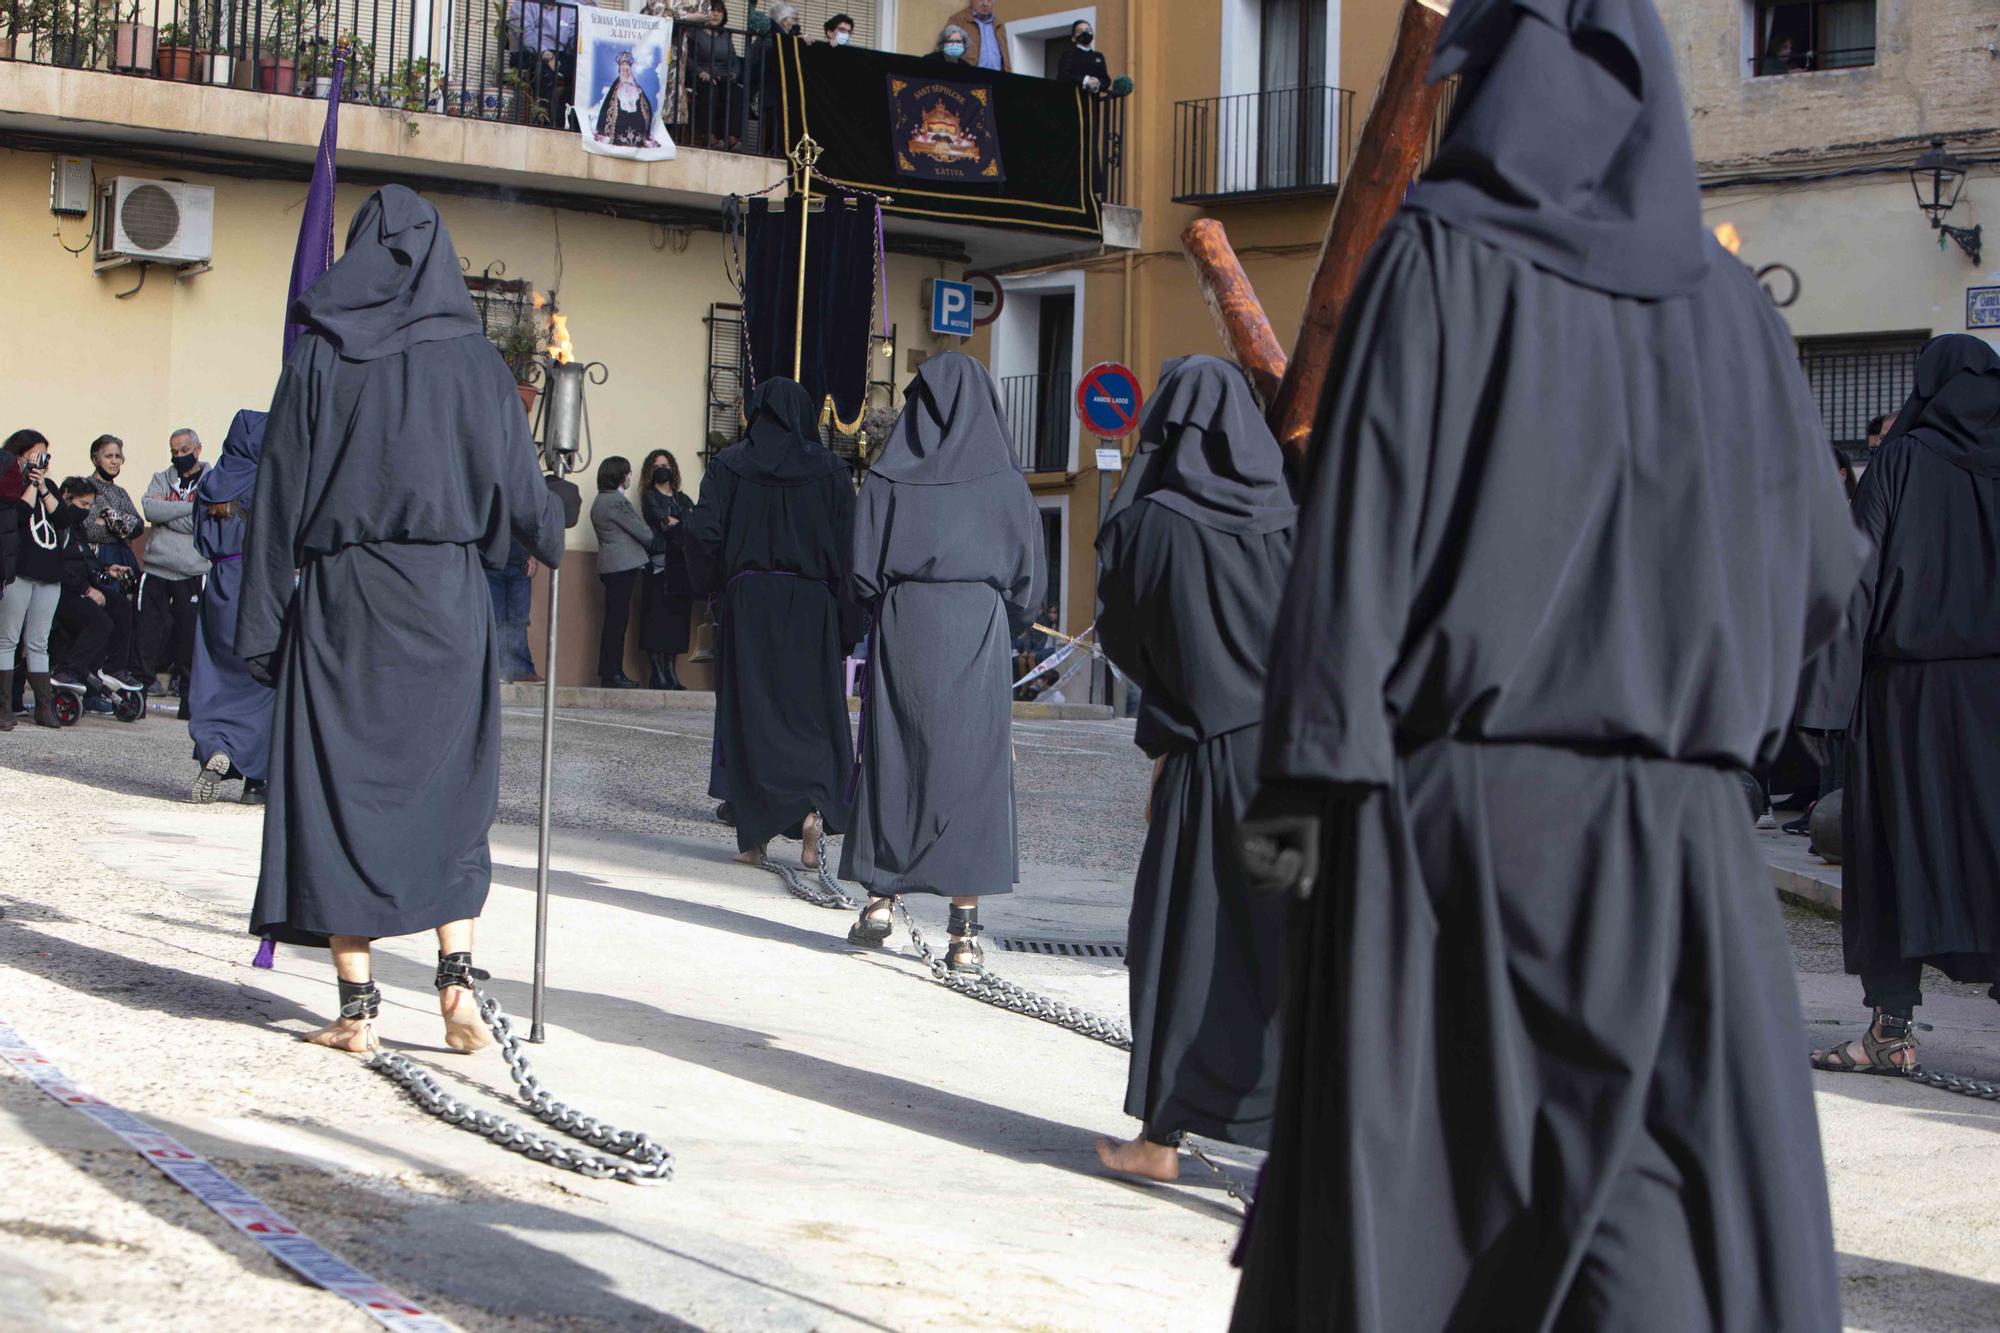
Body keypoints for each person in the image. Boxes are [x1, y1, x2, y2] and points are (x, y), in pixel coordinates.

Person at [1229, 2, 1862, 1328]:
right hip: (1685, 853)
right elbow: (1822, 575)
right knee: (1663, 1235)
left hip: (1455, 843)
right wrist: (1698, 700)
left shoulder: (1439, 262)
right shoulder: (1737, 313)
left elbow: (1356, 563)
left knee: (1435, 1248)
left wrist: (1294, 819)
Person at [239, 185, 573, 1055]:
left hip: (348, 602)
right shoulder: (476, 364)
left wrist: (264, 625)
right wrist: (554, 511)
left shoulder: (320, 356)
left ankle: (357, 1008)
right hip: (447, 601)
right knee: (448, 792)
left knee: (340, 794)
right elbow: (521, 500)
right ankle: (456, 980)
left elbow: (277, 498)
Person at [1091, 354, 1293, 1183]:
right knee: (1283, 945)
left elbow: (1123, 636)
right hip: (1292, 764)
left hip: (1204, 761)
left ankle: (1162, 1138)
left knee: (1182, 939)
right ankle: (1292, 1130)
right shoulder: (1293, 516)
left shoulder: (1155, 525)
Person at [1800, 334, 2000, 1075]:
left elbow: (1854, 581)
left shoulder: (1902, 461)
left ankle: (1891, 1030)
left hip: (1906, 696)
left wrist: (1824, 702)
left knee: (1893, 851)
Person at [842, 353, 1043, 971]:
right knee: (973, 768)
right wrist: (996, 622)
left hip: (905, 623)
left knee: (894, 758)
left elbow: (861, 573)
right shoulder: (1007, 483)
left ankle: (879, 899)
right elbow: (1028, 585)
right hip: (977, 626)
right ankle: (964, 932)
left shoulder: (886, 478)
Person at [685, 378, 858, 866]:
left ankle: (755, 840)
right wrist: (848, 620)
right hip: (813, 607)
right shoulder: (830, 472)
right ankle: (811, 817)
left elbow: (703, 532)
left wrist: (718, 582)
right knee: (812, 717)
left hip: (751, 605)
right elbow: (850, 550)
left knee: (751, 715)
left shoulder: (729, 466)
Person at [188, 410, 278, 804]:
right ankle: (256, 779)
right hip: (261, 586)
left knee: (215, 674)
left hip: (220, 585)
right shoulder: (272, 480)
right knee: (263, 680)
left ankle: (218, 746)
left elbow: (200, 543)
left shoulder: (213, 483)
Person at [52, 476, 143, 710]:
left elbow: (84, 560)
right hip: (63, 591)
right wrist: (86, 589)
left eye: (90, 506)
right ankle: (67, 670)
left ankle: (115, 668)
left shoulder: (78, 528)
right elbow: (59, 565)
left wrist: (106, 571)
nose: (87, 511)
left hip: (82, 585)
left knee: (121, 606)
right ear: (66, 497)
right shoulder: (57, 525)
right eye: (83, 505)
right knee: (100, 622)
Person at [1, 431, 69, 730]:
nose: (42, 461)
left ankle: (44, 706)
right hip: (19, 571)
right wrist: (29, 482)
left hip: (48, 574)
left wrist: (43, 486)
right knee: (7, 638)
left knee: (38, 643)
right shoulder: (11, 484)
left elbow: (63, 519)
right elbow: (17, 516)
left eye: (45, 456)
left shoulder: (47, 486)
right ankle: (4, 709)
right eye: (36, 455)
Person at [139, 427, 209, 715]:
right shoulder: (161, 478)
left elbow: (204, 521)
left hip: (192, 571)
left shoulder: (212, 481)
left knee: (189, 638)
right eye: (174, 451)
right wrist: (188, 509)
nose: (179, 456)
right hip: (156, 568)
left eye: (184, 450)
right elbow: (150, 511)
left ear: (198, 448)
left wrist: (169, 512)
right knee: (147, 637)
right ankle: (137, 694)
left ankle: (187, 700)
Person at [589, 456, 659, 689]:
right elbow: (644, 534)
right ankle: (613, 673)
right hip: (622, 567)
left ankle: (610, 672)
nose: (630, 477)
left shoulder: (600, 500)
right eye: (628, 473)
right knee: (617, 624)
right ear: (619, 475)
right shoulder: (616, 502)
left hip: (610, 567)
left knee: (613, 622)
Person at [639, 448, 696, 690]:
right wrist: (678, 522)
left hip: (681, 566)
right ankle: (658, 673)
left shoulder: (682, 498)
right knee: (656, 619)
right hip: (659, 565)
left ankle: (671, 672)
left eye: (665, 465)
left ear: (672, 468)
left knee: (677, 620)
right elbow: (662, 521)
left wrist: (678, 522)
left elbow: (694, 521)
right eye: (655, 466)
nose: (661, 469)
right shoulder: (650, 497)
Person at [683, 0, 743, 148]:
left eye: (719, 11)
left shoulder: (726, 35)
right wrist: (700, 72)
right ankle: (709, 135)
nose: (716, 14)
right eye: (712, 10)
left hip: (723, 77)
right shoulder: (694, 32)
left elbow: (734, 60)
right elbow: (687, 58)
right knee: (710, 90)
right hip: (701, 77)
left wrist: (733, 74)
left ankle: (732, 137)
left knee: (736, 91)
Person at [487, 539, 540, 684]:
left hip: (519, 564)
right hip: (492, 563)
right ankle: (498, 670)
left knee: (519, 620)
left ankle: (520, 671)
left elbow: (534, 526)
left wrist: (534, 558)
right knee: (495, 619)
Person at [593, 50, 660, 148]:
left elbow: (646, 107)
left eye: (627, 70)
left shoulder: (637, 89)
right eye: (623, 70)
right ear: (619, 71)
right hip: (621, 120)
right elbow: (606, 109)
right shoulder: (615, 90)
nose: (625, 73)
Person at [944, 0, 1008, 72]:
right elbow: (948, 57)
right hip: (970, 79)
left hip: (997, 80)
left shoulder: (999, 26)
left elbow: (1006, 61)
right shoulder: (957, 20)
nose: (985, 3)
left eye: (989, 0)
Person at [1053, 19, 1107, 90]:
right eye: (1080, 31)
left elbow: (1106, 79)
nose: (1085, 33)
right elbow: (1063, 76)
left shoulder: (1098, 56)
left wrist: (1097, 83)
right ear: (1073, 38)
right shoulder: (1068, 55)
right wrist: (1085, 81)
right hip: (1073, 98)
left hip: (1093, 99)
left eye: (1088, 30)